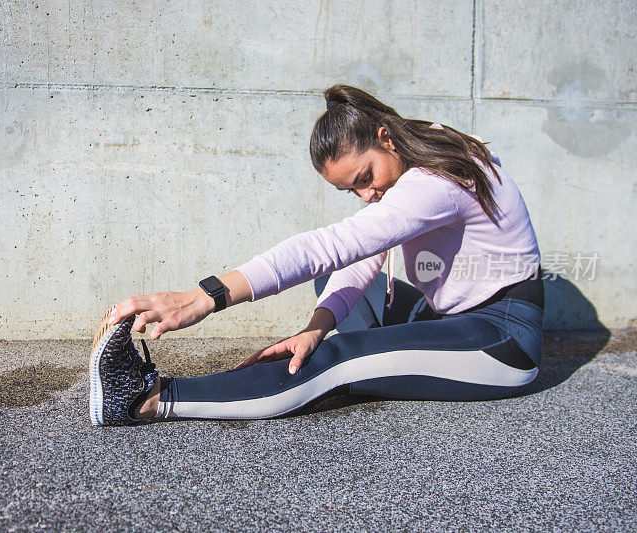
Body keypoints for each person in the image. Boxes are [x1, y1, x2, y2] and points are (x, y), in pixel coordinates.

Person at [89, 85, 544, 426]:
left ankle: (147, 399)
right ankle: (378, 359)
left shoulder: (438, 178)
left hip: (500, 339)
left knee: (334, 358)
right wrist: (313, 329)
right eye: (353, 190)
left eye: (366, 177)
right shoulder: (416, 146)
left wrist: (204, 297)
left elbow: (328, 246)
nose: (367, 195)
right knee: (331, 290)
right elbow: (363, 256)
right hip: (444, 315)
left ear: (384, 137)